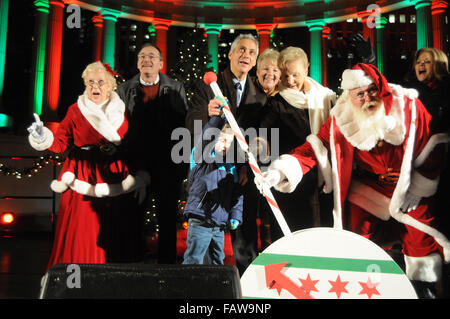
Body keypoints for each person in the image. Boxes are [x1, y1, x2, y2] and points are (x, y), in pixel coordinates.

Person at [256, 63, 450, 298]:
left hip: (410, 185)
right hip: (371, 187)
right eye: (359, 94)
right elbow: (313, 148)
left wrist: (420, 185)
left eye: (372, 90)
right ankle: (362, 285)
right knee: (355, 233)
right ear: (350, 96)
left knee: (420, 236)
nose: (367, 98)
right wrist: (279, 171)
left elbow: (434, 145)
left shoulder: (406, 107)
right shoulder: (341, 117)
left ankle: (424, 287)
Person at [27, 62, 149, 269]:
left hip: (114, 177)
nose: (95, 87)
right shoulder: (75, 110)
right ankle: (74, 283)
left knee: (113, 231)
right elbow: (60, 144)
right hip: (82, 176)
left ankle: (110, 282)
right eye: (91, 82)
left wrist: (141, 176)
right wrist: (41, 136)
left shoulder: (124, 110)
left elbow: (133, 145)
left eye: (101, 82)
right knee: (81, 232)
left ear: (111, 85)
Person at [186, 33, 267, 275]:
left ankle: (244, 282)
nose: (246, 55)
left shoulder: (259, 94)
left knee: (243, 233)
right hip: (211, 174)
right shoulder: (209, 85)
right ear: (230, 54)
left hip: (240, 174)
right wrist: (208, 114)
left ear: (254, 61)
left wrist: (244, 166)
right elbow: (192, 121)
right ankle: (200, 285)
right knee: (205, 240)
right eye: (241, 49)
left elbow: (256, 135)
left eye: (252, 52)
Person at [117, 43, 188, 264]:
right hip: (135, 166)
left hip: (167, 167)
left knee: (167, 220)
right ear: (137, 63)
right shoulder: (124, 90)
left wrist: (181, 166)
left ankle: (166, 270)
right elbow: (117, 127)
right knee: (133, 219)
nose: (146, 60)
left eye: (152, 56)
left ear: (160, 63)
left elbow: (182, 129)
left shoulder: (176, 87)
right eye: (142, 56)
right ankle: (134, 267)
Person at [259, 46, 336, 242]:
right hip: (291, 182)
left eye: (296, 75)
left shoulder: (326, 97)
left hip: (326, 180)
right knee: (293, 235)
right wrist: (260, 143)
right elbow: (264, 131)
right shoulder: (275, 101)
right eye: (285, 76)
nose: (290, 81)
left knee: (326, 236)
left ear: (306, 70)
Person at [182, 115, 243, 265]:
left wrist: (235, 215)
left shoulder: (230, 167)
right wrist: (218, 118)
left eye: (229, 142)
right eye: (222, 140)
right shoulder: (204, 158)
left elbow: (236, 195)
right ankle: (187, 286)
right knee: (194, 258)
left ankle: (216, 287)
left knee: (217, 260)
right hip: (201, 218)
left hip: (218, 225)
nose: (225, 146)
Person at [253, 48, 281, 250]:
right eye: (265, 68)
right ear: (257, 70)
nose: (270, 73)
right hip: (253, 165)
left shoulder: (286, 99)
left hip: (278, 168)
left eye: (275, 69)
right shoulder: (249, 95)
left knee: (273, 218)